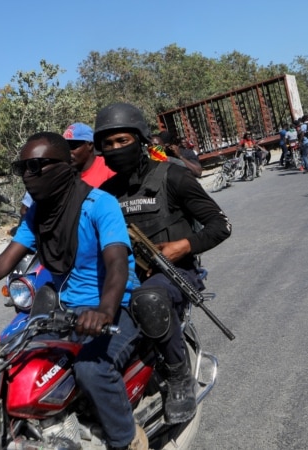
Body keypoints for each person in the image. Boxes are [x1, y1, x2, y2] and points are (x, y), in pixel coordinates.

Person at [0, 132, 147, 450]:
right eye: (23, 168)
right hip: (67, 308)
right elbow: (4, 263)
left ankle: (126, 439)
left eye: (37, 165)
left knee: (91, 369)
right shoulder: (38, 214)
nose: (29, 175)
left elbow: (116, 263)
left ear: (64, 165)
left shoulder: (100, 204)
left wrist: (104, 310)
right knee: (7, 363)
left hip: (117, 306)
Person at [94, 102, 232, 425]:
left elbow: (220, 225)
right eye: (108, 144)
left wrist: (182, 246)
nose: (115, 149)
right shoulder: (104, 193)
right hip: (124, 277)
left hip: (174, 274)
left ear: (141, 140)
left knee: (149, 297)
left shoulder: (172, 176)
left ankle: (178, 374)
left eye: (122, 141)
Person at [63, 122, 116, 187]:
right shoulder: (65, 173)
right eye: (65, 146)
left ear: (90, 145)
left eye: (73, 145)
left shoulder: (109, 169)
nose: (68, 151)